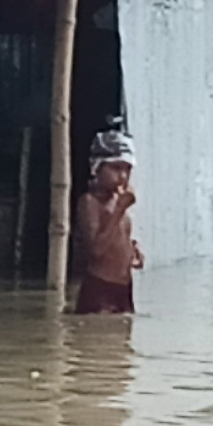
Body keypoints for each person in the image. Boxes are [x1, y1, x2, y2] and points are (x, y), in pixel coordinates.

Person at [75, 132, 143, 316]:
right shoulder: (89, 202)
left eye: (127, 169)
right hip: (100, 288)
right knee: (99, 340)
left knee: (122, 342)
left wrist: (132, 251)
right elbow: (96, 250)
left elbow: (118, 237)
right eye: (115, 168)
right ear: (97, 168)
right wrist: (120, 209)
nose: (122, 176)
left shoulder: (118, 200)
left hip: (123, 288)